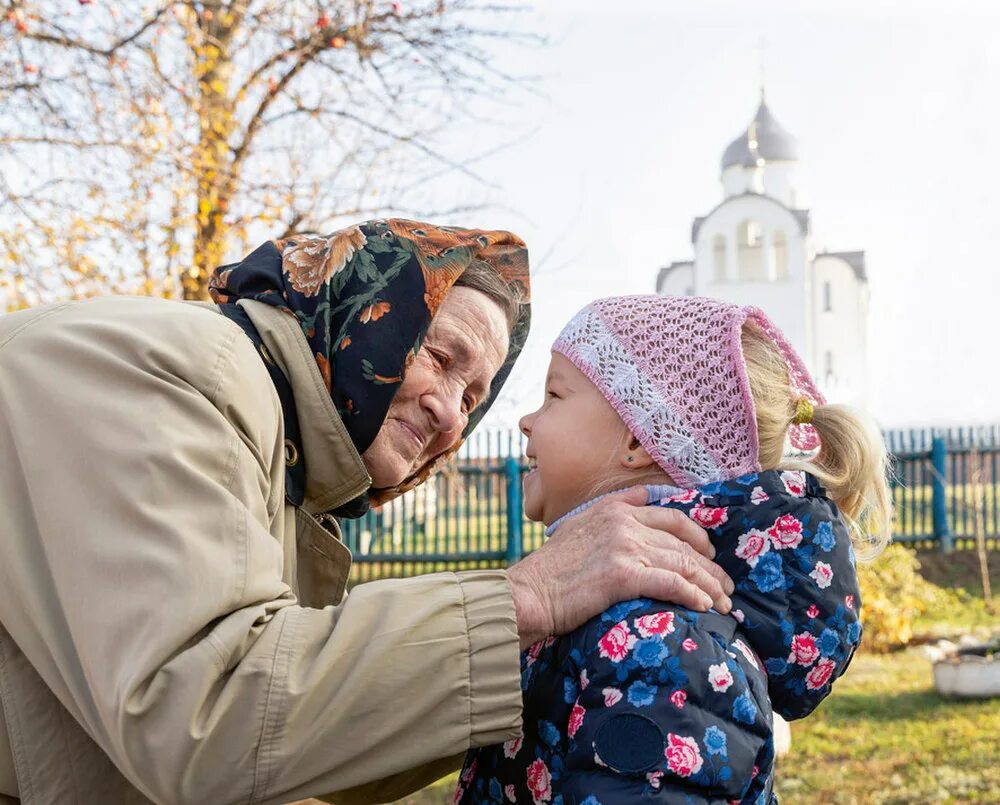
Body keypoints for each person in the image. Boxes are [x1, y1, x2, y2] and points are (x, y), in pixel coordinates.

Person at [0, 222, 732, 805]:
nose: (450, 410)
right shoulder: (187, 375)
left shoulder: (284, 466)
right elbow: (203, 716)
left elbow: (310, 753)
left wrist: (524, 643)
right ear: (370, 310)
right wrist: (526, 600)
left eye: (474, 398)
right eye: (442, 357)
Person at [455, 295, 892, 804]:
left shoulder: (661, 647)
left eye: (554, 395)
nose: (527, 420)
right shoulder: (591, 601)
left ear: (641, 439)